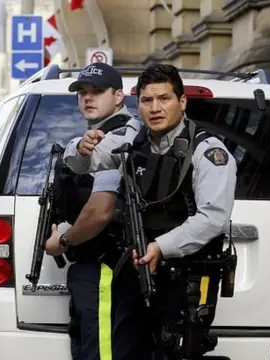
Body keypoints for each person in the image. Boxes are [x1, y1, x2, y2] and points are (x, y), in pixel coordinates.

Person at [62, 64, 237, 360]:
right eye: (146, 100)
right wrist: (80, 147)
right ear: (138, 104)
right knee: (125, 351)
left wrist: (161, 246)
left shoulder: (207, 151)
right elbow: (82, 162)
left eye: (164, 99)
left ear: (182, 102)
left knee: (173, 352)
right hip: (135, 269)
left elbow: (213, 218)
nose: (155, 108)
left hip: (184, 277)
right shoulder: (133, 142)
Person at [43, 62, 134, 360]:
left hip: (107, 264)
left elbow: (100, 213)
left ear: (119, 96)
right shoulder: (90, 139)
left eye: (97, 91)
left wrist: (62, 242)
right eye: (83, 92)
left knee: (101, 352)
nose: (88, 97)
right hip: (93, 265)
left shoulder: (122, 139)